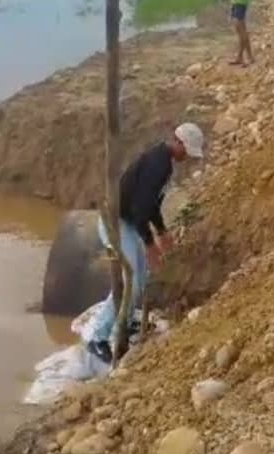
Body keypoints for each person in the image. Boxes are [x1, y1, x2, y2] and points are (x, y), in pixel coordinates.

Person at [86, 124, 205, 363]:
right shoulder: (157, 165)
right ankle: (97, 338)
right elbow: (141, 210)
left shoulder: (164, 162)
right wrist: (151, 244)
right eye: (187, 151)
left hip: (128, 222)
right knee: (132, 280)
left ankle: (126, 322)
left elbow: (151, 206)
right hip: (116, 223)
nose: (187, 157)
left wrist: (162, 231)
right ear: (178, 142)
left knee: (140, 277)